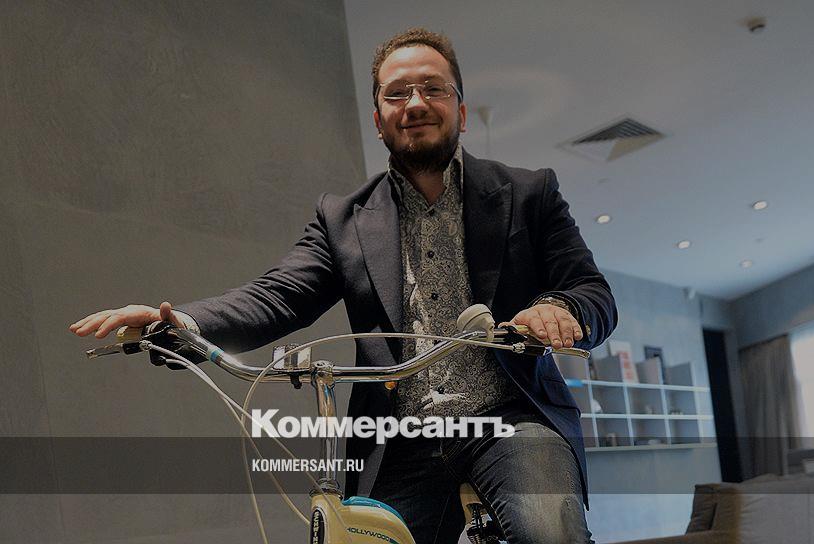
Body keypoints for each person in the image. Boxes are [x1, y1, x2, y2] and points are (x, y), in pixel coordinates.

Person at [71, 28, 617, 544]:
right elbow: (276, 295)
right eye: (397, 93)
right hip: (400, 435)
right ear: (379, 120)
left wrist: (561, 308)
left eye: (433, 88)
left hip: (511, 419)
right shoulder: (342, 219)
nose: (416, 103)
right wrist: (182, 323)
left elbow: (591, 291)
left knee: (550, 532)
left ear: (462, 111)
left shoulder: (529, 193)